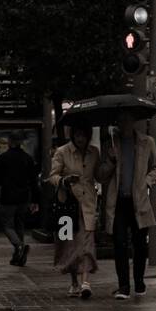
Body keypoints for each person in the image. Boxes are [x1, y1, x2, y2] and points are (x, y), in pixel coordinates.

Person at [101, 111, 156, 299]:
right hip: (118, 201)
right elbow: (101, 175)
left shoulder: (147, 142)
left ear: (134, 121)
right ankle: (124, 286)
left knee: (140, 244)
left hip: (138, 200)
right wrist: (110, 160)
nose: (124, 123)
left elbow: (155, 168)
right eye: (120, 120)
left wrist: (147, 181)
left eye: (127, 119)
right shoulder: (111, 144)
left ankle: (139, 281)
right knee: (119, 243)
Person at [48, 121, 100, 298]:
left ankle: (86, 283)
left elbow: (99, 174)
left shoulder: (94, 152)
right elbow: (52, 176)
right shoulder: (62, 152)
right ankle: (74, 282)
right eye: (77, 135)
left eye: (84, 135)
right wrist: (64, 180)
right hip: (66, 206)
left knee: (87, 244)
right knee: (68, 245)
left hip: (87, 205)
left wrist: (112, 160)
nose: (81, 139)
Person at [0, 131, 39, 266]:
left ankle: (19, 246)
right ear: (21, 142)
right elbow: (33, 181)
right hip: (24, 198)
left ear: (10, 142)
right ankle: (18, 256)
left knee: (7, 225)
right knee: (19, 225)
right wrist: (35, 199)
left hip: (8, 197)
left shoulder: (3, 158)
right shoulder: (28, 158)